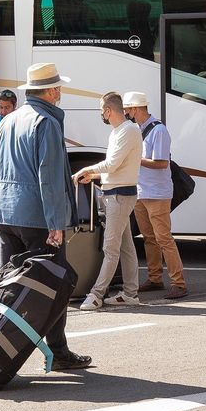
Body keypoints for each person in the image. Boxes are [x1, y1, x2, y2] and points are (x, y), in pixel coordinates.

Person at [0, 62, 92, 370]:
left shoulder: (7, 121)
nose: (61, 92)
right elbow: (51, 176)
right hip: (35, 216)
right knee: (52, 284)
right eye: (59, 87)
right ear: (52, 91)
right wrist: (56, 223)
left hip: (5, 212)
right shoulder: (46, 122)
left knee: (9, 285)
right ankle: (58, 351)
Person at [73, 92, 143, 311]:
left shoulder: (127, 131)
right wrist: (93, 175)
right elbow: (116, 168)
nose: (101, 113)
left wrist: (87, 170)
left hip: (119, 196)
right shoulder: (122, 131)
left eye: (101, 109)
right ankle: (130, 293)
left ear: (108, 110)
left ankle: (96, 294)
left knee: (111, 248)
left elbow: (112, 164)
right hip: (118, 193)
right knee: (125, 247)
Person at [123, 91, 188, 299]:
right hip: (143, 191)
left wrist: (136, 159)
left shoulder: (158, 130)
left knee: (163, 238)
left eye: (127, 109)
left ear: (135, 109)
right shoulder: (140, 129)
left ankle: (178, 283)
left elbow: (161, 163)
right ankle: (155, 278)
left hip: (157, 193)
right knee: (150, 238)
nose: (126, 113)